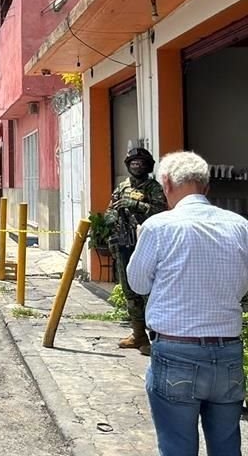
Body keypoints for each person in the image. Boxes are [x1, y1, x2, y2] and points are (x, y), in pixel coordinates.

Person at [127, 151, 248, 456]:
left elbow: (138, 284)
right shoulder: (240, 226)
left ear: (166, 183)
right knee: (227, 446)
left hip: (176, 351)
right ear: (206, 187)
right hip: (228, 351)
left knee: (177, 447)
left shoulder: (158, 227)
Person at [105, 147, 167, 355]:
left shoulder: (154, 188)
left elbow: (161, 211)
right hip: (124, 244)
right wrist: (111, 218)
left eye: (140, 163)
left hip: (147, 243)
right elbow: (109, 210)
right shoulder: (122, 187)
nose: (136, 165)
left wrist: (137, 205)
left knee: (150, 292)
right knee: (129, 291)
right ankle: (138, 333)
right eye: (133, 163)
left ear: (147, 166)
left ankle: (155, 337)